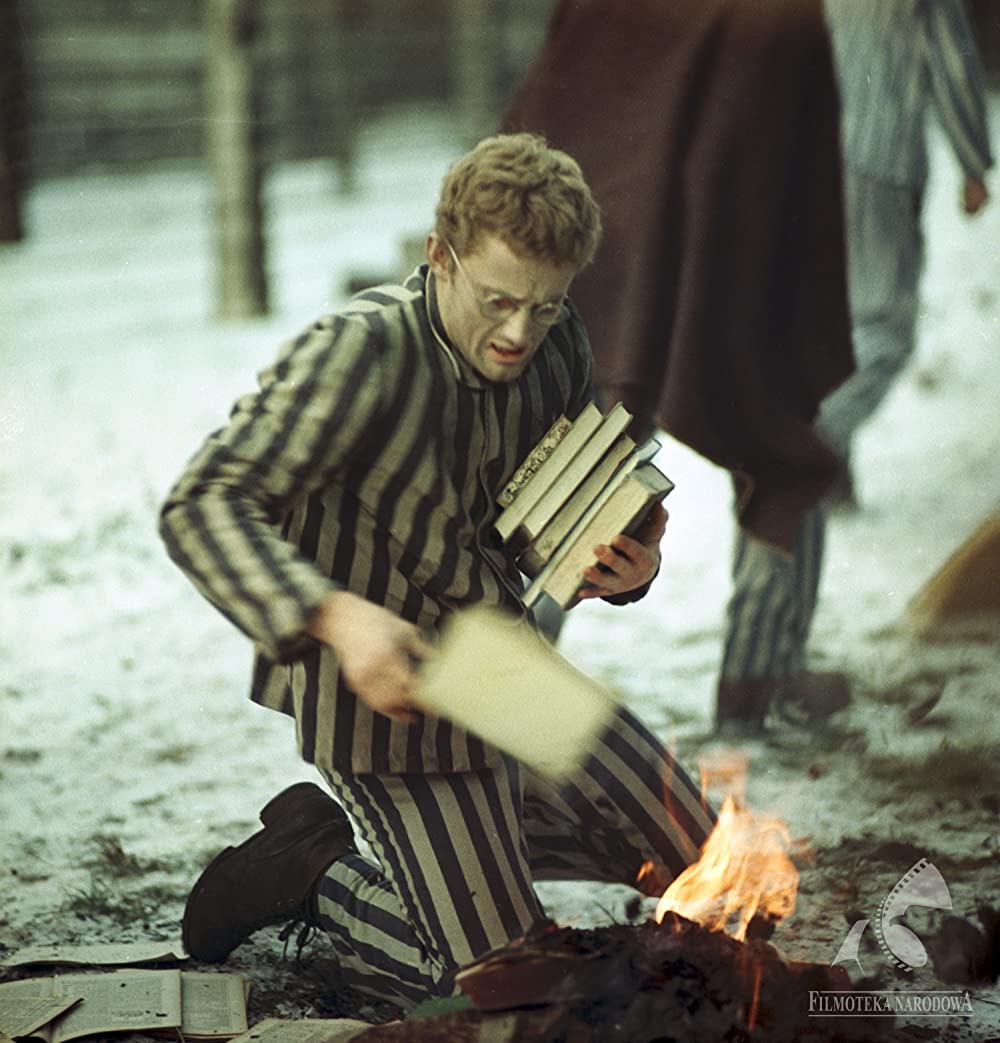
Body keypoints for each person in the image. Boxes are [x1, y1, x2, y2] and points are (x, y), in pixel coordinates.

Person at [159, 133, 716, 1010]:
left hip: (499, 666)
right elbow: (202, 504)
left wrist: (629, 561)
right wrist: (337, 619)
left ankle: (464, 859)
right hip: (382, 705)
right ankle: (311, 868)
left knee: (707, 855)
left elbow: (562, 510)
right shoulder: (358, 353)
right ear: (438, 256)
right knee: (503, 987)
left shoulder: (555, 339)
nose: (518, 332)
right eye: (497, 300)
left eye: (544, 304)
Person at [503, 0, 856, 731]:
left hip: (605, 243)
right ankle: (756, 691)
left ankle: (503, 691)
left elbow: (548, 109)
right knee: (781, 440)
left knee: (585, 454)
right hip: (707, 243)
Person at [818, 0, 994, 506]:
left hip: (808, 158)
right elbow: (951, 57)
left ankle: (830, 473)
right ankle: (814, 444)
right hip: (881, 159)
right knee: (883, 330)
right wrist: (973, 160)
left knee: (832, 321)